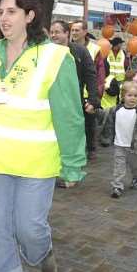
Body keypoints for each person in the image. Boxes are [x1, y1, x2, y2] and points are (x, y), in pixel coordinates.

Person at [0, 0, 86, 272]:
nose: (3, 18)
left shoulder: (56, 57)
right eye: (0, 12)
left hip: (36, 164)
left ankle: (41, 253)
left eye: (12, 11)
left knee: (29, 228)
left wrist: (73, 164)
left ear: (29, 15)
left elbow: (70, 116)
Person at [49, 20, 99, 188]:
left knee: (72, 137)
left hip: (73, 102)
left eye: (58, 32)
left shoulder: (79, 51)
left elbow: (91, 75)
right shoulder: (46, 52)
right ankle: (55, 170)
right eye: (52, 32)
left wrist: (93, 100)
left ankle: (71, 174)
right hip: (51, 102)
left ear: (67, 33)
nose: (54, 35)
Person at [97, 81, 137, 198]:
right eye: (129, 95)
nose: (132, 98)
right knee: (119, 167)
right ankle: (117, 186)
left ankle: (136, 178)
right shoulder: (116, 109)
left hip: (135, 146)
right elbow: (104, 115)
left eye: (136, 96)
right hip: (119, 145)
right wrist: (95, 110)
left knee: (136, 167)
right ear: (123, 96)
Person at [71, 20, 106, 161]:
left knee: (89, 123)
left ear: (85, 32)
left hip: (88, 94)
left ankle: (91, 148)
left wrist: (95, 96)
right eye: (72, 30)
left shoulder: (94, 49)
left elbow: (98, 73)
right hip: (73, 93)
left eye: (77, 30)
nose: (74, 33)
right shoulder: (66, 48)